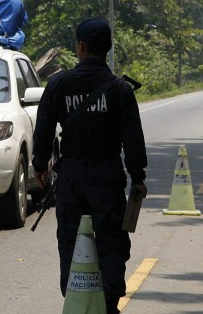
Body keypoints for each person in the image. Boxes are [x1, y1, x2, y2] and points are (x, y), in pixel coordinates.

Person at [32, 18, 148, 314]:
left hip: (71, 178)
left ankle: (73, 296)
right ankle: (109, 303)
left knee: (70, 238)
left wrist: (39, 165)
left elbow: (43, 129)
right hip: (107, 177)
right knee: (111, 241)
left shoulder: (59, 83)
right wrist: (137, 177)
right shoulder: (120, 90)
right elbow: (133, 139)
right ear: (107, 49)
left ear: (80, 47)